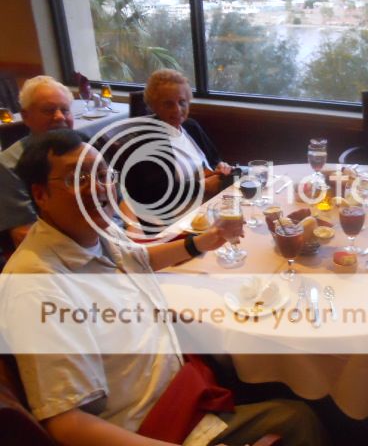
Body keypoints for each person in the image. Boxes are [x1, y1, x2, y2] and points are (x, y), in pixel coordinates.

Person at [0, 129, 327, 446]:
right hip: (153, 426)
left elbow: (138, 258)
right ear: (40, 194)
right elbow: (67, 425)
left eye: (103, 176)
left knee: (277, 373)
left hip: (186, 386)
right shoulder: (38, 287)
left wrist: (204, 241)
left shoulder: (94, 233)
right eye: (79, 179)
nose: (98, 187)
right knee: (298, 419)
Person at [121, 69, 234, 232]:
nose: (177, 109)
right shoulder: (146, 141)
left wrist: (221, 166)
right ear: (154, 106)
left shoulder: (191, 126)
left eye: (182, 102)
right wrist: (202, 187)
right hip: (175, 223)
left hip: (208, 208)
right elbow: (155, 194)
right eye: (168, 104)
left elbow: (214, 159)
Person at [0, 75, 74, 248]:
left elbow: (120, 198)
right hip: (57, 250)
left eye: (65, 110)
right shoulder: (9, 165)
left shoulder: (86, 147)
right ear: (26, 116)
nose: (59, 117)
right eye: (48, 110)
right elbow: (25, 233)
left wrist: (131, 230)